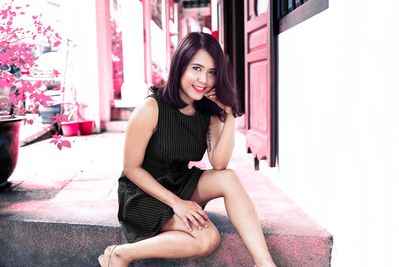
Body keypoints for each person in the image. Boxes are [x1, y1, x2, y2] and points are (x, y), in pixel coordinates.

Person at [98, 32, 277, 267]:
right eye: (197, 68)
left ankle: (264, 264)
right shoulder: (150, 108)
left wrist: (230, 116)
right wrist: (176, 203)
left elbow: (220, 165)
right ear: (180, 66)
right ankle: (121, 254)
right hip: (143, 194)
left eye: (212, 72)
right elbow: (132, 169)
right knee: (208, 239)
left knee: (228, 178)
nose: (204, 79)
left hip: (178, 182)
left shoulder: (207, 110)